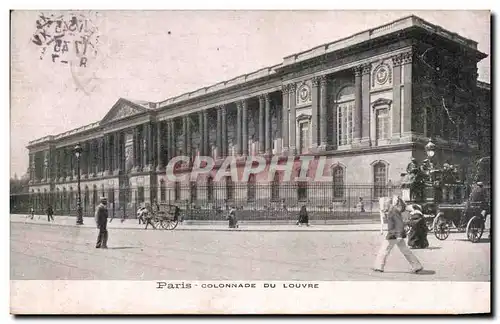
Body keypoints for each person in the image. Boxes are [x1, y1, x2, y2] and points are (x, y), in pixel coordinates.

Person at [373, 196, 423, 273]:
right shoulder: (393, 210)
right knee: (405, 251)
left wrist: (398, 235)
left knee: (384, 250)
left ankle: (379, 266)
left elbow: (399, 224)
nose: (382, 207)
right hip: (396, 234)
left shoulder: (393, 211)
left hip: (393, 234)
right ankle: (417, 266)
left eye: (383, 204)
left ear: (387, 203)